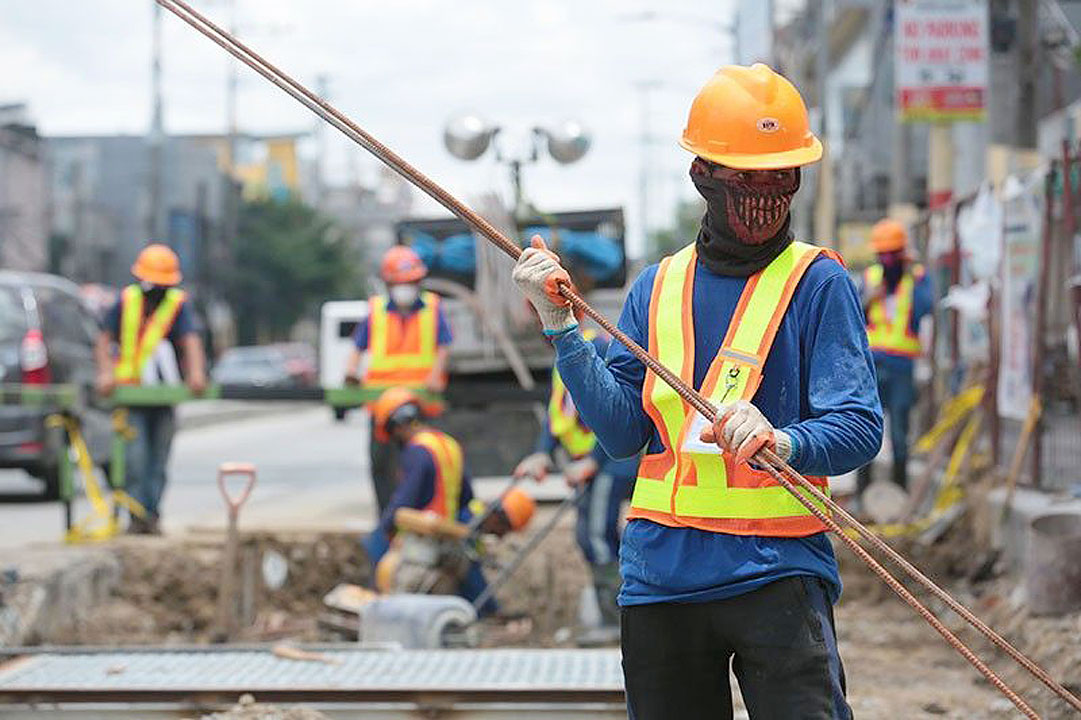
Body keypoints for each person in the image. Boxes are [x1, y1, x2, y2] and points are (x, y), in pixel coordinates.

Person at [512, 63, 882, 719]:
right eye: (745, 176)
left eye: (779, 176)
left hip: (778, 573)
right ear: (702, 175)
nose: (764, 192)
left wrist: (785, 438)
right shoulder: (654, 287)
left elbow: (856, 426)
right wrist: (562, 330)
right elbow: (624, 433)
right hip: (662, 578)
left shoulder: (817, 283)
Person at [362, 387, 533, 614]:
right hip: (448, 526)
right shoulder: (449, 444)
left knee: (375, 545)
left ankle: (380, 609)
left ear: (397, 425)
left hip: (427, 531)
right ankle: (486, 611)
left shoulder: (418, 451)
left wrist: (387, 530)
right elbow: (466, 496)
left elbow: (404, 502)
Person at [514, 327, 636, 642]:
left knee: (598, 536)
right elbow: (558, 414)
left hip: (611, 460)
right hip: (589, 461)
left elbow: (613, 406)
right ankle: (611, 611)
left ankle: (619, 619)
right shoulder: (562, 355)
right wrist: (542, 454)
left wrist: (593, 461)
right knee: (586, 536)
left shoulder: (594, 346)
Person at [95, 244, 207, 535]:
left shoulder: (177, 304)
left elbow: (190, 341)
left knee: (158, 459)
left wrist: (196, 373)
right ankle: (135, 517)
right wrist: (106, 373)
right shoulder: (126, 301)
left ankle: (152, 515)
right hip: (131, 395)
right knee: (135, 458)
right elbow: (104, 339)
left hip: (164, 395)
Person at [343, 246, 452, 518]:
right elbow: (358, 345)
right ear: (389, 284)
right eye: (400, 283)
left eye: (411, 283)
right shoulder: (376, 310)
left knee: (424, 460)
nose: (406, 288)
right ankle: (387, 518)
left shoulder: (432, 307)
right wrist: (351, 371)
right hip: (382, 406)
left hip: (420, 405)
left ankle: (425, 514)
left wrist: (436, 375)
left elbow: (443, 345)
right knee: (381, 465)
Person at [857, 219, 934, 495]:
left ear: (902, 253)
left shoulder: (917, 278)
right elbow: (853, 314)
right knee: (865, 428)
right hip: (872, 365)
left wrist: (914, 273)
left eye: (892, 254)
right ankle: (862, 494)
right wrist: (870, 298)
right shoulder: (869, 279)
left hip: (902, 366)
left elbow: (927, 308)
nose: (887, 259)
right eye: (882, 254)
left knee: (900, 432)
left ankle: (900, 492)